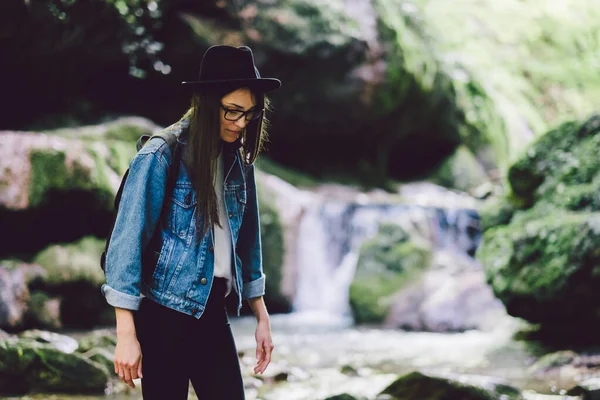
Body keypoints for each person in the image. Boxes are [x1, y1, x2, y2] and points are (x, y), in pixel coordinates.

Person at [101, 45, 281, 399]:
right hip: (162, 315)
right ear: (207, 102)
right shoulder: (160, 155)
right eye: (232, 111)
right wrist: (126, 335)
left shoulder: (239, 163)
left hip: (212, 311)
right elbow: (126, 245)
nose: (241, 123)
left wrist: (261, 315)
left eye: (250, 113)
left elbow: (248, 240)